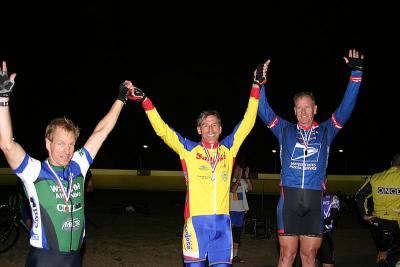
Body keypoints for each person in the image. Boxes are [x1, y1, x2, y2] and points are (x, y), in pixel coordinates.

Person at [125, 59, 270, 267]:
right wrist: (145, 101)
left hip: (223, 227)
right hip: (195, 226)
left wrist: (256, 85)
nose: (210, 129)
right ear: (199, 130)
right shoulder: (189, 150)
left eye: (214, 125)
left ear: (220, 129)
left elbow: (248, 120)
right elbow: (163, 130)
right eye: (205, 125)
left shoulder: (229, 149)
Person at [0, 61, 130, 267]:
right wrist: (3, 99)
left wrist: (121, 98)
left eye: (71, 144)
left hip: (75, 258)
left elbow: (101, 132)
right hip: (44, 258)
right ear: (48, 143)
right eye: (61, 144)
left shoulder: (78, 165)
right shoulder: (34, 171)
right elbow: (7, 144)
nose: (67, 150)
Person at [257, 49, 364, 267]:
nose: (304, 112)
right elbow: (263, 110)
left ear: (315, 109)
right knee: (286, 256)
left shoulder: (327, 130)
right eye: (299, 108)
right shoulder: (284, 130)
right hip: (289, 199)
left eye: (308, 107)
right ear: (294, 111)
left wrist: (356, 75)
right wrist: (259, 84)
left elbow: (346, 108)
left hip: (315, 200)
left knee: (309, 258)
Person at [354, 153, 400, 266]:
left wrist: (364, 215)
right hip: (397, 223)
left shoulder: (376, 177)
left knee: (382, 253)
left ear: (391, 164)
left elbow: (359, 196)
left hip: (378, 222)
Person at [229, 163, 253, 264]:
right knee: (229, 235)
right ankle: (227, 255)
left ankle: (235, 256)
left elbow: (250, 189)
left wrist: (246, 177)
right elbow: (233, 189)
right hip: (231, 212)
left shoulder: (242, 181)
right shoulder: (228, 181)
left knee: (237, 236)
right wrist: (238, 178)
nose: (239, 171)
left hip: (241, 212)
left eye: (240, 169)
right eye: (237, 169)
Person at [316, 189, 340, 267]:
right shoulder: (306, 195)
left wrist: (320, 225)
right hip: (308, 236)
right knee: (309, 262)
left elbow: (334, 216)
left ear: (325, 180)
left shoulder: (332, 197)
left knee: (328, 263)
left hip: (325, 235)